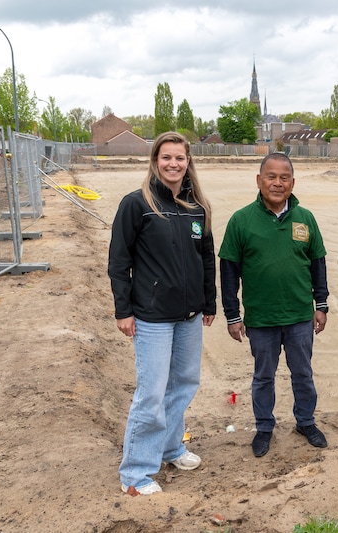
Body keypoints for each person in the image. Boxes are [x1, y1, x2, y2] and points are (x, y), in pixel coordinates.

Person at [108, 132, 216, 496]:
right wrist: (124, 310)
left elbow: (206, 259)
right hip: (151, 316)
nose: (173, 164)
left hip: (189, 316)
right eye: (166, 157)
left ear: (188, 162)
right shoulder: (137, 204)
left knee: (183, 384)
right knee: (151, 393)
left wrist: (209, 302)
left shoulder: (197, 207)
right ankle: (135, 473)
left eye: (179, 158)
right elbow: (118, 261)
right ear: (155, 161)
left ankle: (171, 449)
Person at [219, 152, 329, 458]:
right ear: (259, 180)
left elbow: (318, 264)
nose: (277, 183)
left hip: (299, 316)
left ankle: (305, 422)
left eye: (284, 178)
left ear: (292, 183)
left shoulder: (305, 219)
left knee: (303, 374)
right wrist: (232, 315)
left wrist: (321, 304)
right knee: (263, 376)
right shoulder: (241, 221)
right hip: (261, 318)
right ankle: (264, 427)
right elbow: (228, 272)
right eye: (271, 177)